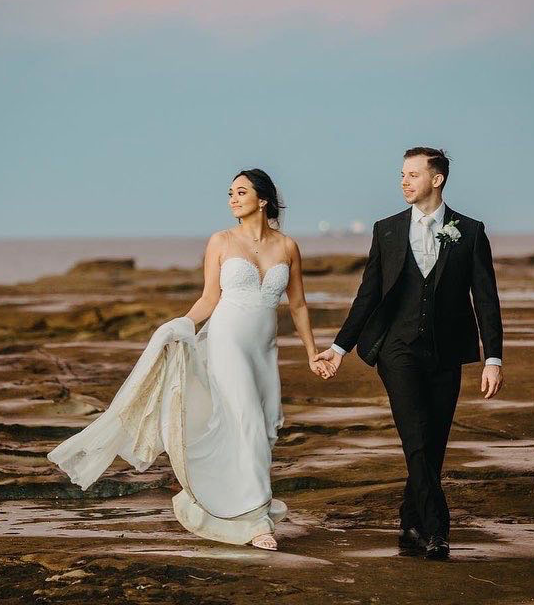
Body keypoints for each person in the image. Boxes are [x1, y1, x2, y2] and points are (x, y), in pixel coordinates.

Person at [48, 168, 334, 551]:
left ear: (262, 200)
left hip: (264, 351)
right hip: (226, 342)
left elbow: (297, 305)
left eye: (241, 192)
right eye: (230, 192)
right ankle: (257, 521)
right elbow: (209, 299)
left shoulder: (287, 247)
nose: (232, 199)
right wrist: (180, 323)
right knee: (247, 420)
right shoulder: (220, 241)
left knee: (264, 428)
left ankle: (237, 505)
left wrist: (312, 351)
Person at [314, 147, 504, 560]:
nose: (404, 181)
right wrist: (338, 347)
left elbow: (486, 299)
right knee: (415, 437)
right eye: (402, 174)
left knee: (433, 441)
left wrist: (493, 358)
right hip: (396, 350)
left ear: (436, 180)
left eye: (413, 175)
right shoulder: (387, 229)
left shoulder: (469, 231)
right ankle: (437, 531)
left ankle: (409, 519)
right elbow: (368, 295)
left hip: (448, 351)